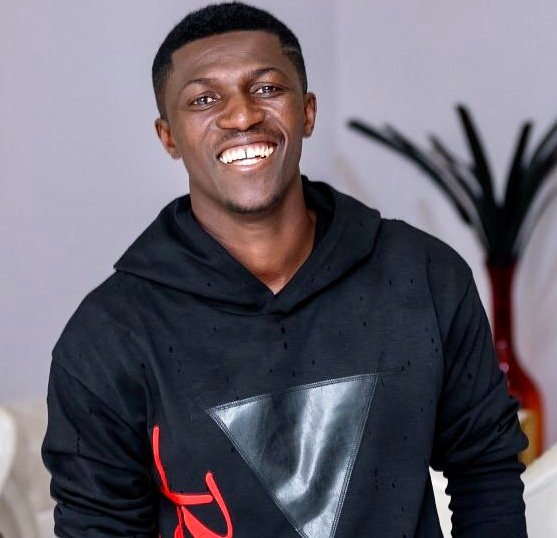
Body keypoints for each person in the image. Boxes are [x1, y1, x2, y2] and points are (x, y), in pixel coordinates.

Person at [42, 3, 528, 537]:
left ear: (307, 112)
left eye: (267, 88)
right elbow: (99, 527)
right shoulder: (108, 336)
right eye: (204, 99)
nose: (242, 115)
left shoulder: (425, 274)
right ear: (169, 137)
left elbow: (486, 470)